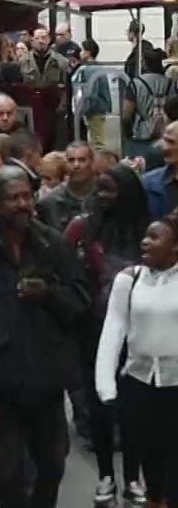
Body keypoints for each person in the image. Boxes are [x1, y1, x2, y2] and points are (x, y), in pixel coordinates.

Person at [0, 166, 90, 508]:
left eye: (27, 196)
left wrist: (50, 294)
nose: (23, 204)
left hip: (47, 381)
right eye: (14, 198)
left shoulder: (53, 245)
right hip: (1, 385)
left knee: (51, 468)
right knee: (9, 476)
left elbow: (80, 301)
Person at [65, 165, 147, 506]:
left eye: (110, 189)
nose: (102, 195)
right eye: (99, 188)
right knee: (99, 407)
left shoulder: (148, 231)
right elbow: (64, 267)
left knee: (134, 410)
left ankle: (132, 478)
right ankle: (105, 476)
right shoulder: (83, 228)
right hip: (94, 330)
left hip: (141, 333)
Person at [96, 209, 178, 508]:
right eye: (145, 235)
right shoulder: (128, 280)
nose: (145, 242)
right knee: (150, 458)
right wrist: (105, 384)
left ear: (175, 246)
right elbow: (113, 330)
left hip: (176, 384)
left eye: (154, 237)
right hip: (138, 383)